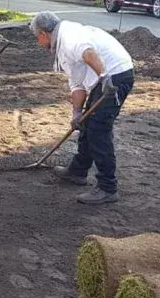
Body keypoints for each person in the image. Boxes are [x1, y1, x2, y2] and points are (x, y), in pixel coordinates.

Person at [30, 11, 134, 204]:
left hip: (115, 76)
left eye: (38, 38)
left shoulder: (69, 37)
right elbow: (77, 84)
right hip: (103, 79)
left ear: (43, 33)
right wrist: (77, 112)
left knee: (98, 130)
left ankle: (107, 187)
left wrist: (104, 78)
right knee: (87, 125)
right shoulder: (62, 45)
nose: (39, 43)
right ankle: (78, 171)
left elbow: (88, 52)